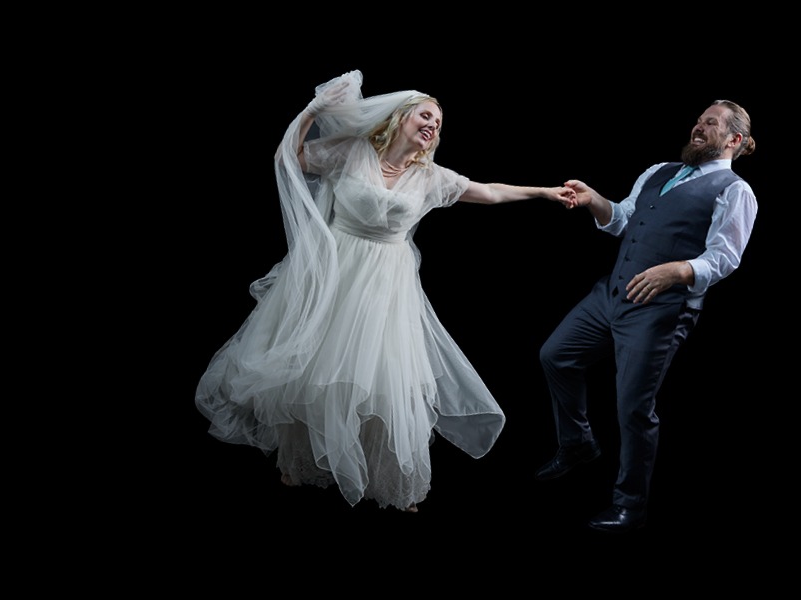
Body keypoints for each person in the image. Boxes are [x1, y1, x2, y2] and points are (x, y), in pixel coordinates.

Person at [195, 70, 576, 513]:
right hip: (334, 272)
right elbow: (293, 158)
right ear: (400, 118)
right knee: (312, 367)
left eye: (439, 122)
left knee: (383, 378)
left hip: (385, 285)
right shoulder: (352, 153)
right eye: (426, 115)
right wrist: (311, 112)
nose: (433, 125)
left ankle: (392, 482)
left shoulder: (430, 176)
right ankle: (297, 462)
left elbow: (489, 192)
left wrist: (546, 192)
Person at [535, 99, 758, 532]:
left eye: (710, 124)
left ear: (733, 139)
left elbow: (725, 257)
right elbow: (622, 220)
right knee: (555, 355)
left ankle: (629, 505)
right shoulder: (658, 171)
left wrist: (678, 271)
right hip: (611, 294)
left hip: (661, 311)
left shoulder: (735, 191)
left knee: (633, 407)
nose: (698, 127)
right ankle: (578, 443)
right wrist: (594, 199)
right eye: (698, 120)